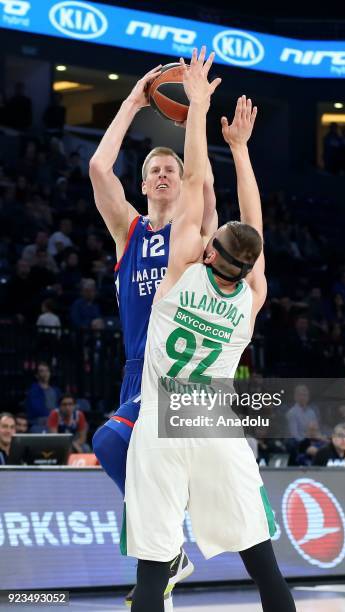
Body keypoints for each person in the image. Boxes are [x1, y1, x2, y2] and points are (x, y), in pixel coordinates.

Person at [125, 47, 296, 612]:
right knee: (266, 572)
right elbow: (255, 221)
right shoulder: (253, 294)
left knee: (152, 577)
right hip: (214, 427)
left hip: (159, 424)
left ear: (208, 249)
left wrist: (198, 108)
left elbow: (196, 179)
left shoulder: (179, 273)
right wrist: (242, 152)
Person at [90, 63, 218, 603]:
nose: (165, 175)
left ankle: (168, 544)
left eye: (172, 168)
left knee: (108, 440)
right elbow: (99, 166)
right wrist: (133, 102)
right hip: (136, 372)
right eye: (156, 170)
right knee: (128, 462)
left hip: (182, 375)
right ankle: (165, 560)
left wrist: (199, 118)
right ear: (143, 183)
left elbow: (202, 180)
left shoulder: (196, 231)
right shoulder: (129, 231)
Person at [25, 362, 60, 428]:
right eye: (42, 371)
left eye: (47, 370)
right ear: (37, 375)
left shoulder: (56, 390)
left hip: (55, 421)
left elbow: (60, 406)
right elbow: (37, 410)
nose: (45, 373)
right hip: (38, 422)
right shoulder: (33, 390)